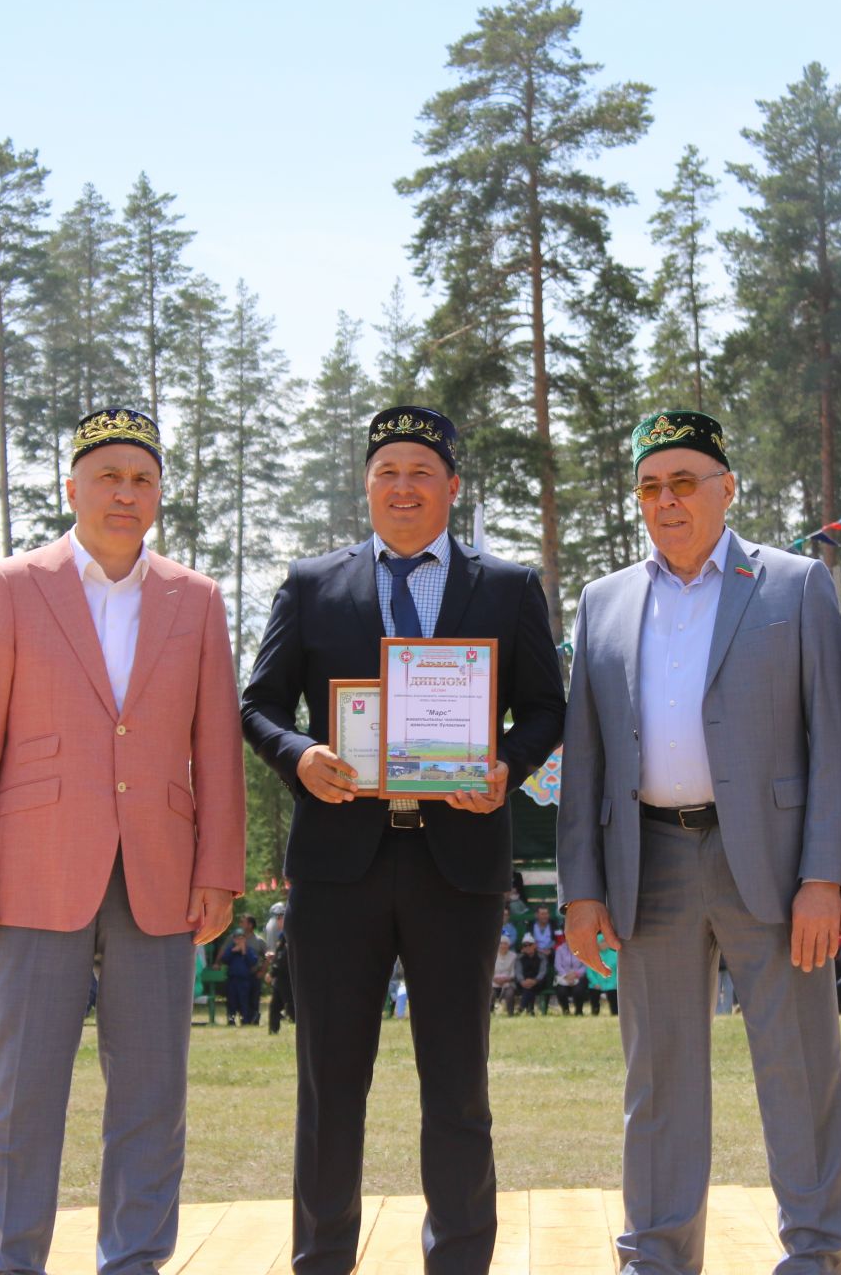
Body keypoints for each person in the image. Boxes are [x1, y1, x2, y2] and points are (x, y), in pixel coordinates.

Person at [242, 405, 564, 1274]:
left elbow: (546, 707)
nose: (403, 486)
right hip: (338, 872)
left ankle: (459, 1261)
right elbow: (258, 703)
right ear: (367, 486)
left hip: (455, 868)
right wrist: (300, 753)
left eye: (421, 471)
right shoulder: (313, 584)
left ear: (453, 487)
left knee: (458, 1090)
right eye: (386, 471)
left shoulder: (505, 587)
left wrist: (504, 764)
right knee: (329, 1090)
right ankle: (321, 1261)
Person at [0, 406, 246, 1274]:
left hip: (161, 873)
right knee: (22, 1095)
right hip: (30, 871)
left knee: (153, 1095)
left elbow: (215, 745)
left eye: (142, 479)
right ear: (70, 486)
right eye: (107, 476)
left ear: (159, 496)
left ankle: (135, 1261)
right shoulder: (9, 586)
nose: (125, 492)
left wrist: (219, 867)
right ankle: (12, 1262)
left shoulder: (197, 599)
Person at [558, 408, 841, 1274]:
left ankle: (815, 1252)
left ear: (728, 489)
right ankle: (654, 1253)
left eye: (685, 482)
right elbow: (586, 756)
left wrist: (824, 877)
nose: (667, 500)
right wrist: (582, 887)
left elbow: (833, 746)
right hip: (645, 863)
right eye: (650, 486)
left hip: (769, 865)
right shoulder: (604, 600)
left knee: (799, 1069)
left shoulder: (794, 584)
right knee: (657, 1078)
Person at [220, 930, 261, 1026]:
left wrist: (244, 952)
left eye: (241, 938)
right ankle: (231, 1018)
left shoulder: (248, 950)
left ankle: (245, 1019)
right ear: (234, 939)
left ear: (245, 939)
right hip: (232, 979)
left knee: (244, 1001)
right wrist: (233, 951)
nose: (239, 940)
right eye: (237, 938)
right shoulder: (231, 949)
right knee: (231, 1001)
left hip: (244, 980)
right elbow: (224, 959)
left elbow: (253, 961)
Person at [508, 935, 547, 1016]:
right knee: (528, 988)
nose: (528, 947)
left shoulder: (542, 957)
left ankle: (521, 1008)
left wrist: (535, 981)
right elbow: (518, 972)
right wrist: (522, 981)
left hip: (538, 982)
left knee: (530, 988)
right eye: (525, 945)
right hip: (523, 983)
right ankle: (530, 1011)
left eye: (530, 944)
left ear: (535, 945)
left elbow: (542, 972)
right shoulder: (519, 958)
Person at [267, 926, 294, 1035]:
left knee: (290, 1007)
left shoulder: (285, 949)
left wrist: (272, 973)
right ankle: (273, 1030)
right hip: (280, 982)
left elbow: (280, 963)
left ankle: (295, 1023)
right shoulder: (282, 949)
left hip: (286, 982)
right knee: (274, 1007)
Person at [550, 936, 586, 1015]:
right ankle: (566, 1011)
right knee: (561, 991)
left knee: (579, 990)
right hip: (563, 977)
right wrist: (566, 975)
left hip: (578, 976)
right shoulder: (560, 949)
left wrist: (576, 974)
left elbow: (585, 965)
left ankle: (579, 1011)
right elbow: (557, 965)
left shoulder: (582, 949)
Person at [491, 935, 518, 1012]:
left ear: (508, 945)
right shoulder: (493, 955)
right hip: (494, 982)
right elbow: (490, 971)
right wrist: (494, 979)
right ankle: (489, 1013)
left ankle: (510, 1013)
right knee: (491, 994)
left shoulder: (513, 956)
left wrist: (507, 979)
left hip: (509, 982)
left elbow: (513, 972)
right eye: (501, 943)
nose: (503, 945)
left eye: (505, 943)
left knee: (509, 993)